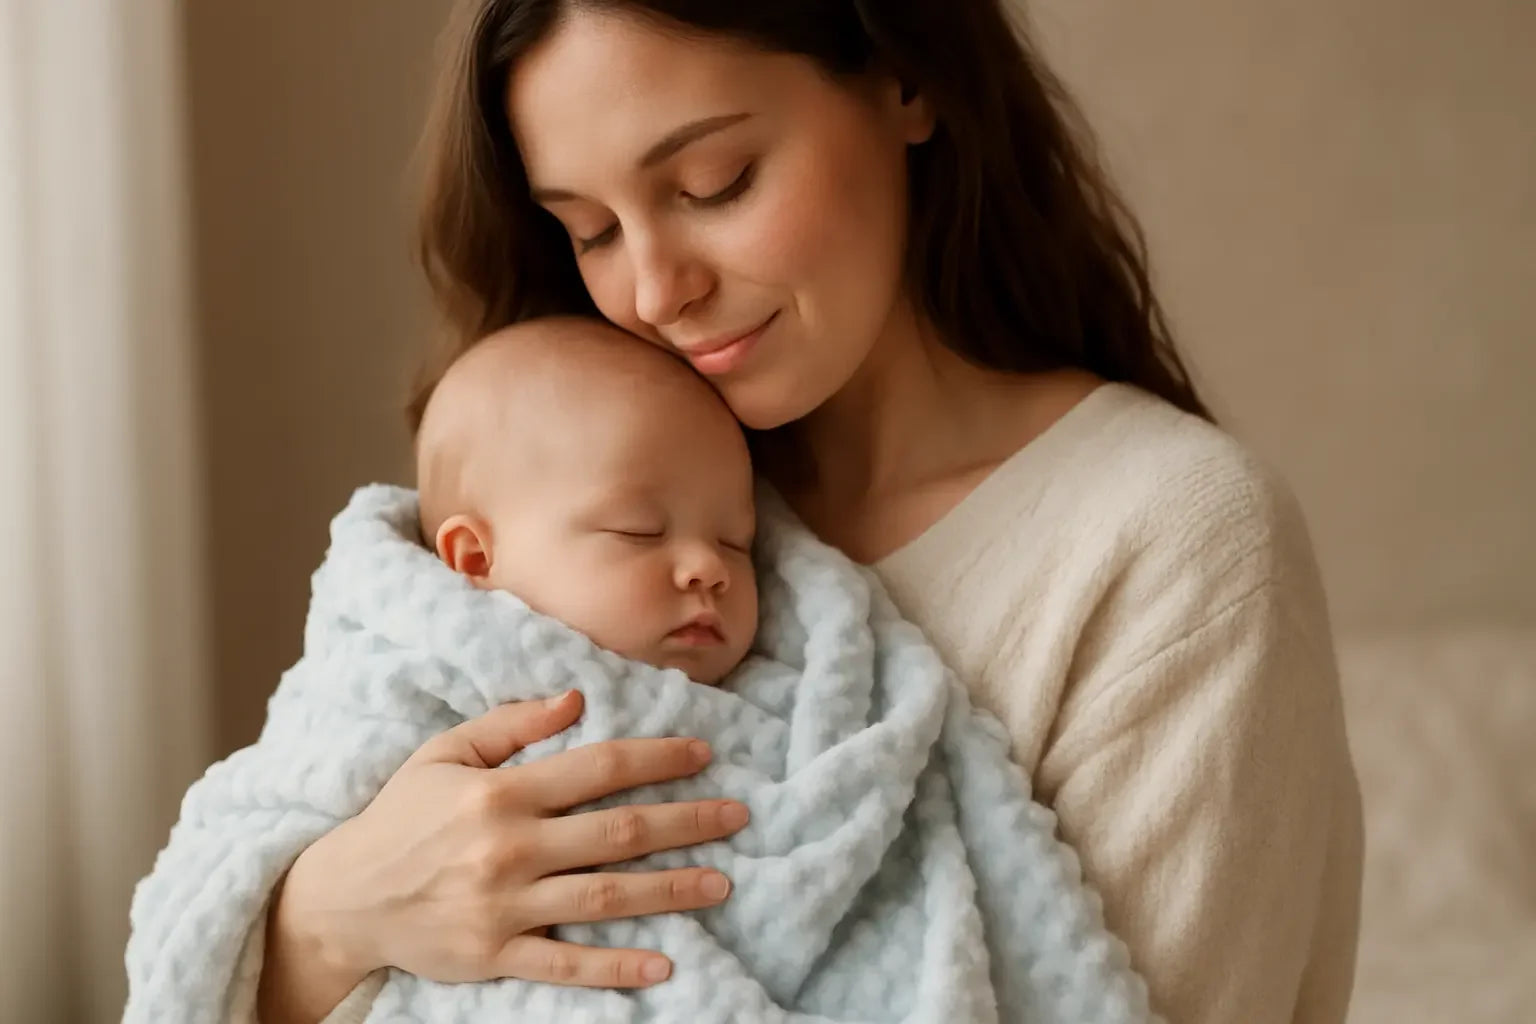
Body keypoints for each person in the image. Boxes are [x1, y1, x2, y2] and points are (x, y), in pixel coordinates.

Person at [257, 2, 1364, 1022]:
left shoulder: (1171, 543)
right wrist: (329, 919)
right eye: (591, 230)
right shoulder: (582, 503)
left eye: (714, 180)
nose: (653, 291)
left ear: (906, 81)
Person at [416, 316, 759, 687]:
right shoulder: (422, 685)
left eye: (735, 543)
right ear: (476, 558)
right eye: (639, 531)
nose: (711, 567)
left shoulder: (782, 692)